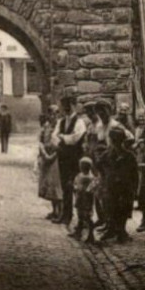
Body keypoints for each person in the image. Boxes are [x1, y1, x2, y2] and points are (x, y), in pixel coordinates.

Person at [99, 126, 139, 243]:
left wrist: (134, 188)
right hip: (111, 186)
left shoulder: (129, 156)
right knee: (110, 207)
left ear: (122, 140)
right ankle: (111, 229)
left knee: (124, 208)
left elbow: (135, 174)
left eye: (118, 140)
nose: (116, 143)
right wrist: (105, 176)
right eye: (114, 140)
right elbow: (99, 165)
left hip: (125, 188)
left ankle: (121, 231)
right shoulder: (107, 154)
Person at [54, 96, 89, 226]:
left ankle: (83, 219)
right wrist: (62, 138)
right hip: (63, 158)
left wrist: (62, 137)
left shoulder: (79, 122)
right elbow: (54, 137)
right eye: (64, 107)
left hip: (75, 159)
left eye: (68, 106)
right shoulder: (61, 121)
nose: (66, 109)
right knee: (65, 187)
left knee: (77, 187)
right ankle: (66, 214)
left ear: (73, 106)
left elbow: (75, 138)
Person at [38, 108, 63, 220]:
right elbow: (41, 140)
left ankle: (60, 211)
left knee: (56, 185)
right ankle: (54, 210)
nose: (53, 116)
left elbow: (61, 144)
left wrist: (54, 155)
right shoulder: (46, 126)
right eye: (51, 113)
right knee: (49, 186)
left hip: (56, 158)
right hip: (46, 157)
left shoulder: (61, 126)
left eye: (55, 113)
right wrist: (43, 153)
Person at [70, 156, 98, 243]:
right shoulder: (81, 175)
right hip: (80, 198)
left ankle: (90, 235)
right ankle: (79, 231)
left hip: (85, 199)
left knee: (87, 216)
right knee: (80, 215)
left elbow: (88, 188)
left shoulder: (88, 177)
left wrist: (76, 188)